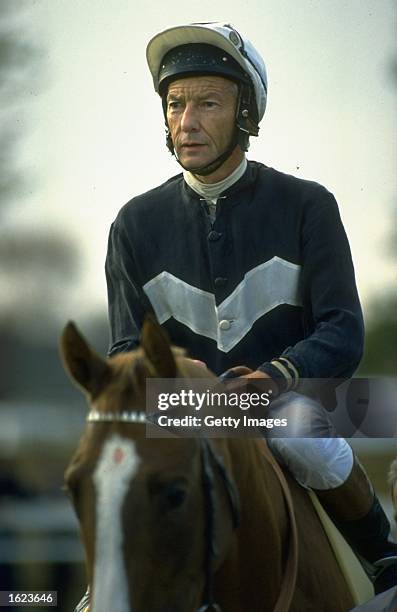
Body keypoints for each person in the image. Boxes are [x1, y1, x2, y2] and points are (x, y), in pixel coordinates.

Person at [75, 22, 397, 611]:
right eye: (175, 105)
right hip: (182, 406)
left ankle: (383, 558)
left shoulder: (309, 206)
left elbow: (343, 330)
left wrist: (277, 374)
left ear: (245, 115)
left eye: (207, 103)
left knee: (307, 440)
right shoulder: (132, 225)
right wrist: (177, 377)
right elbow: (125, 349)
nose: (187, 121)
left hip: (289, 398)